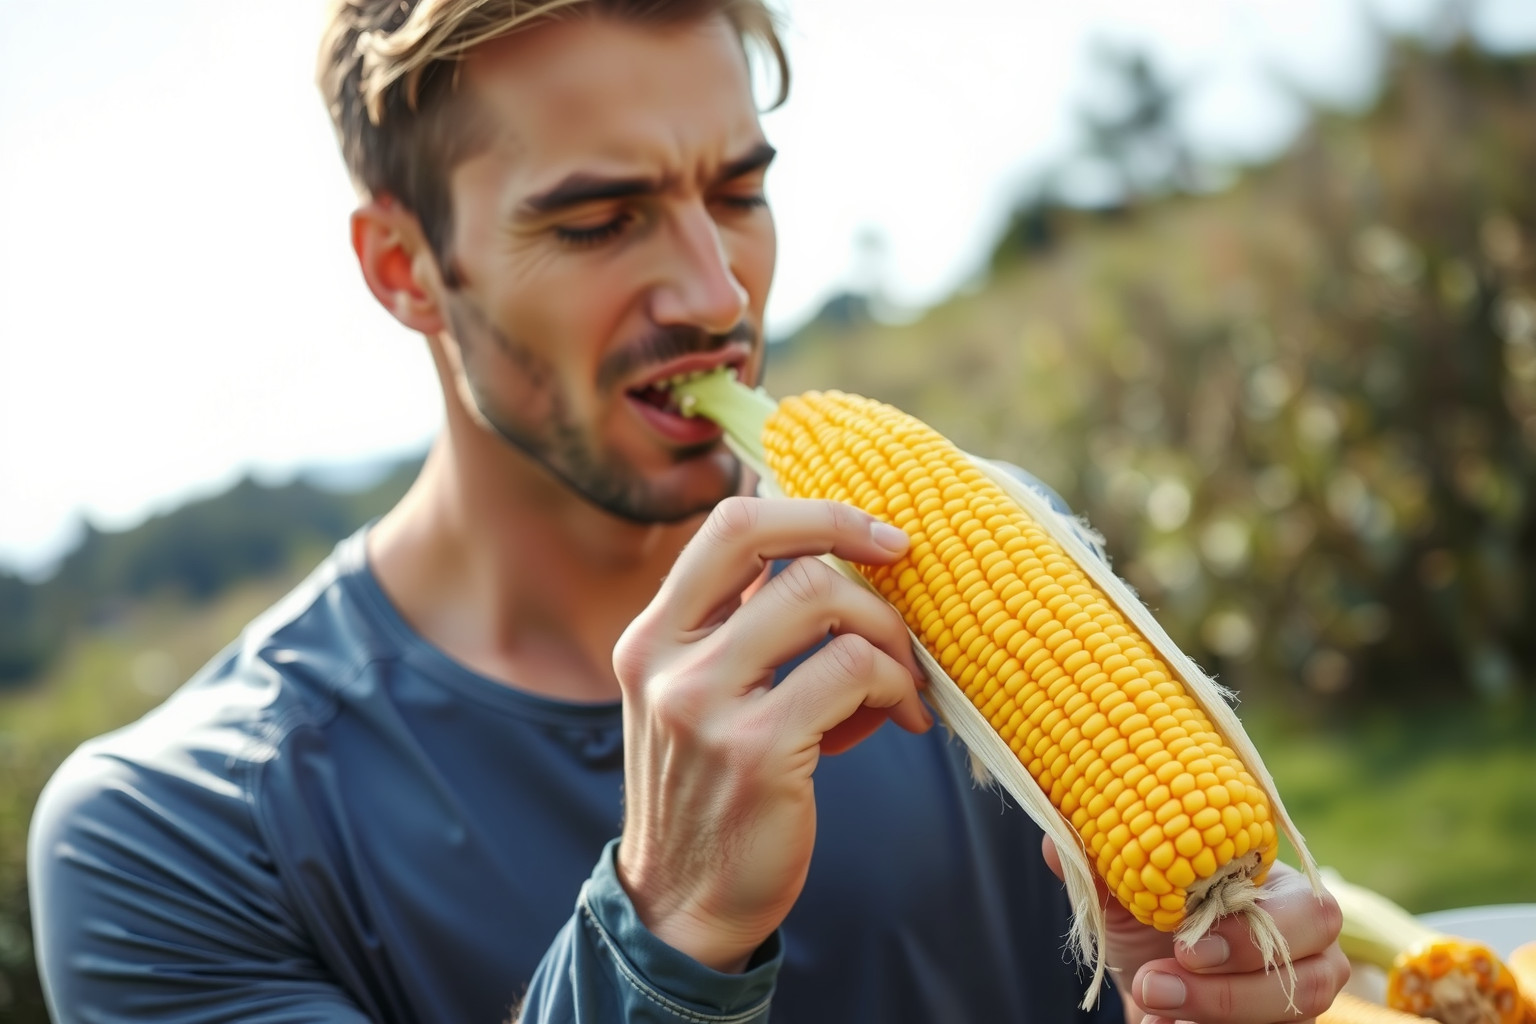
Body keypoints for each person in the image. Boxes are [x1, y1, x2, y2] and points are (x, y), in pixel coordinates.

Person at [28, 1, 1349, 1021]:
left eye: (737, 194)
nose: (716, 294)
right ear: (407, 267)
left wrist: (1179, 992)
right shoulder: (178, 835)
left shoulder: (984, 558)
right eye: (602, 220)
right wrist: (656, 931)